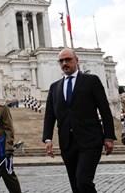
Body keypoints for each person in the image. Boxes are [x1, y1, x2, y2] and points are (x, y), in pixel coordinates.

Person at [42, 48, 116, 193]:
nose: (65, 63)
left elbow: (105, 110)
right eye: (61, 61)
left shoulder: (91, 81)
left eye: (68, 59)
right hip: (67, 143)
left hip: (90, 140)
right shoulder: (54, 87)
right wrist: (47, 138)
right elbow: (50, 115)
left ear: (76, 60)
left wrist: (109, 136)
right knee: (75, 185)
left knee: (83, 181)